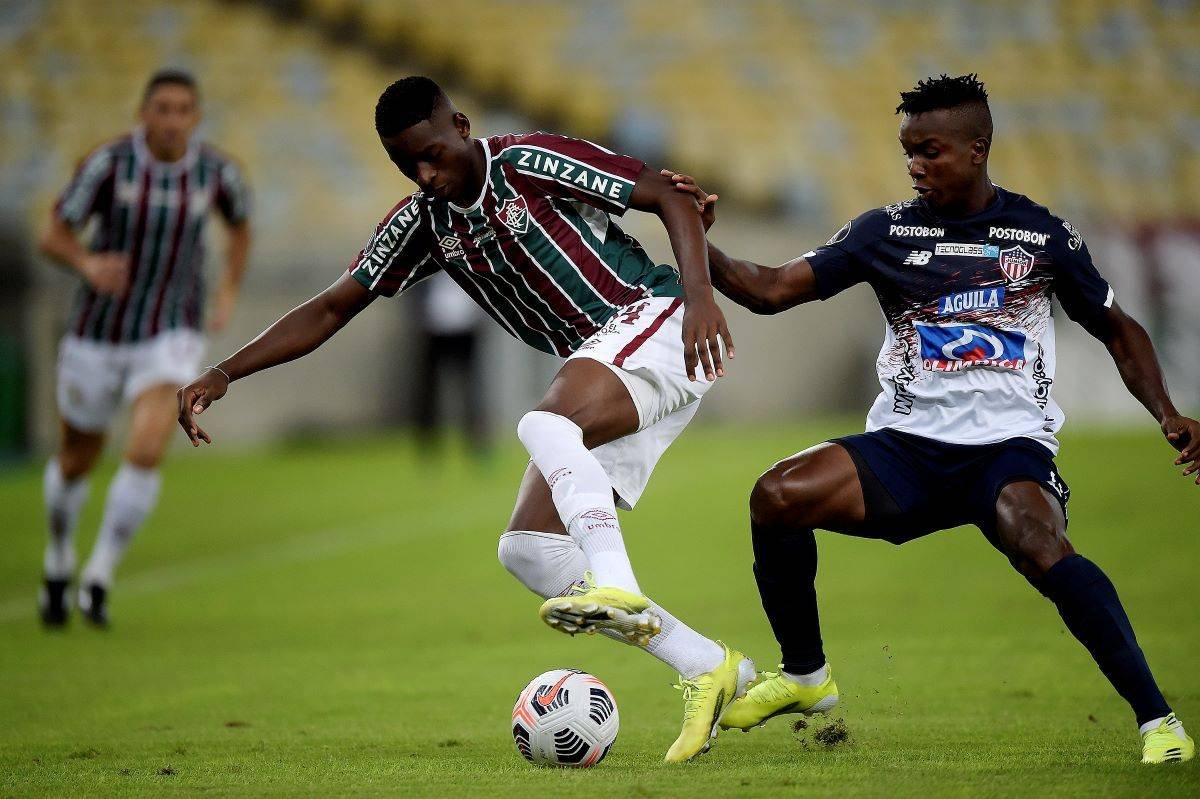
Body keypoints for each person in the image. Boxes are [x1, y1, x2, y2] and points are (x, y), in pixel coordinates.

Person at [176, 76, 754, 762]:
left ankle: (618, 586)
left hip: (654, 319)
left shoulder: (526, 162)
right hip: (609, 365)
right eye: (405, 165)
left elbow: (668, 194)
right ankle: (712, 668)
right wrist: (225, 371)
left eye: (431, 154)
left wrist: (700, 298)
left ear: (460, 124)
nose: (425, 174)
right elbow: (334, 305)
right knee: (530, 549)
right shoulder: (424, 220)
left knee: (543, 424)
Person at [667, 74, 1197, 765]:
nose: (915, 166)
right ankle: (806, 677)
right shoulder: (885, 230)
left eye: (931, 151)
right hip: (907, 449)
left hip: (1007, 450)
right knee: (776, 496)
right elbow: (768, 290)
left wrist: (1167, 413)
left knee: (1044, 546)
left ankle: (1158, 721)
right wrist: (700, 241)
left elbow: (1117, 327)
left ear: (978, 149)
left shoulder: (1039, 235)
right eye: (908, 151)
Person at [38, 69, 251, 629]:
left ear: (196, 117)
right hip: (97, 333)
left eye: (184, 109)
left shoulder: (216, 172)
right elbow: (54, 233)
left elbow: (242, 225)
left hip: (170, 332)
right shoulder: (109, 165)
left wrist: (227, 286)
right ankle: (59, 553)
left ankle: (100, 576)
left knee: (148, 446)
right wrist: (85, 262)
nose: (172, 119)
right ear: (143, 113)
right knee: (77, 458)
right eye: (162, 108)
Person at [411, 272, 489, 458]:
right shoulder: (428, 268)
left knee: (471, 389)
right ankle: (428, 443)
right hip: (434, 331)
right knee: (429, 390)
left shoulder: (469, 264)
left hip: (466, 331)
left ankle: (476, 442)